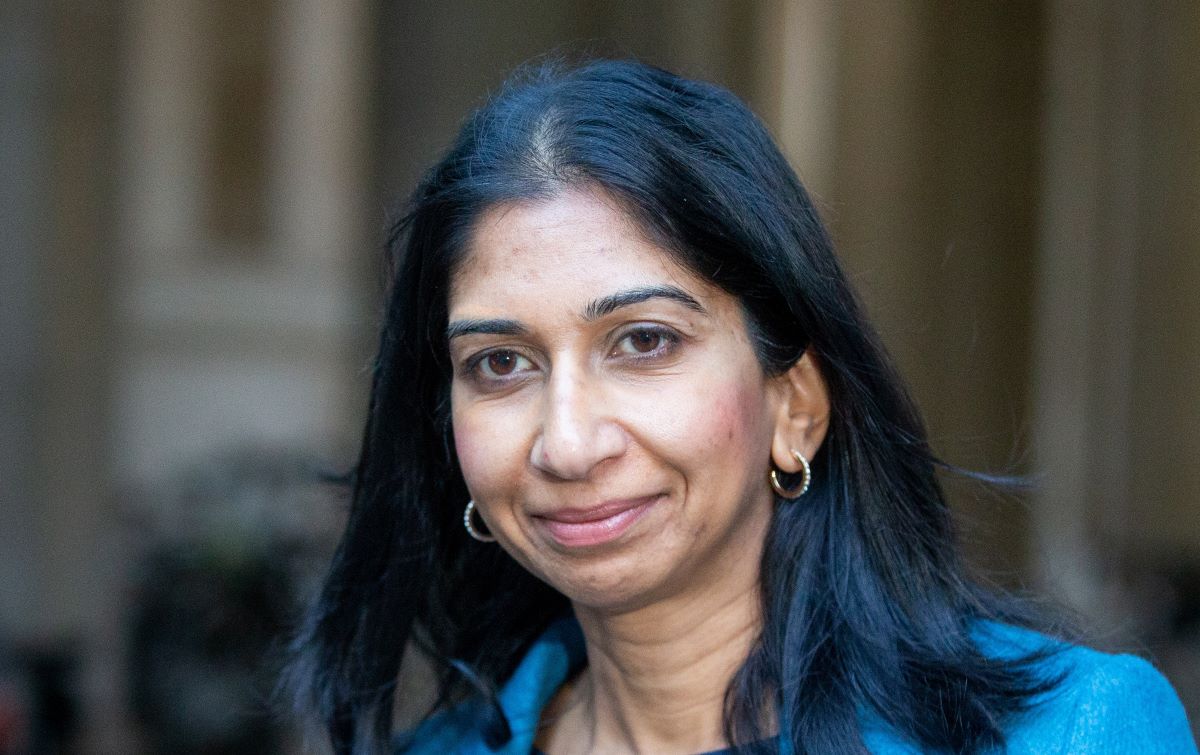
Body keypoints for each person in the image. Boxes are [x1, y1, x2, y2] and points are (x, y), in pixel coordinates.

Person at [286, 60, 1196, 754]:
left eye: (644, 341)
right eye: (499, 363)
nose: (567, 442)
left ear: (796, 404)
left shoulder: (1071, 730)